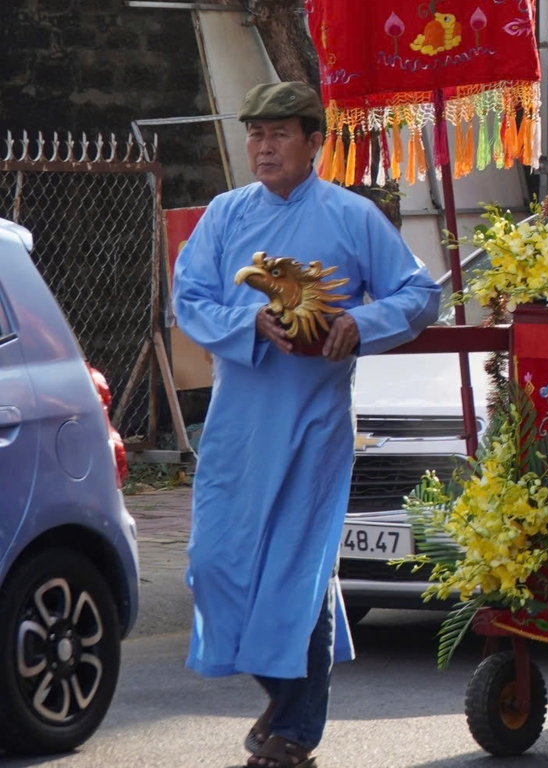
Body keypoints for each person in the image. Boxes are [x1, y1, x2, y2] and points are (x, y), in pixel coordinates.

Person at [172, 83, 440, 768]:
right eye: (255, 133)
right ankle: (281, 690)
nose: (263, 146)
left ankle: (295, 728)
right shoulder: (227, 215)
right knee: (214, 565)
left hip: (313, 421)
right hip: (239, 419)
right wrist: (250, 322)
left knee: (297, 573)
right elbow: (190, 296)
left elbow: (420, 293)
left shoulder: (351, 217)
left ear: (315, 141)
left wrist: (359, 322)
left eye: (279, 133)